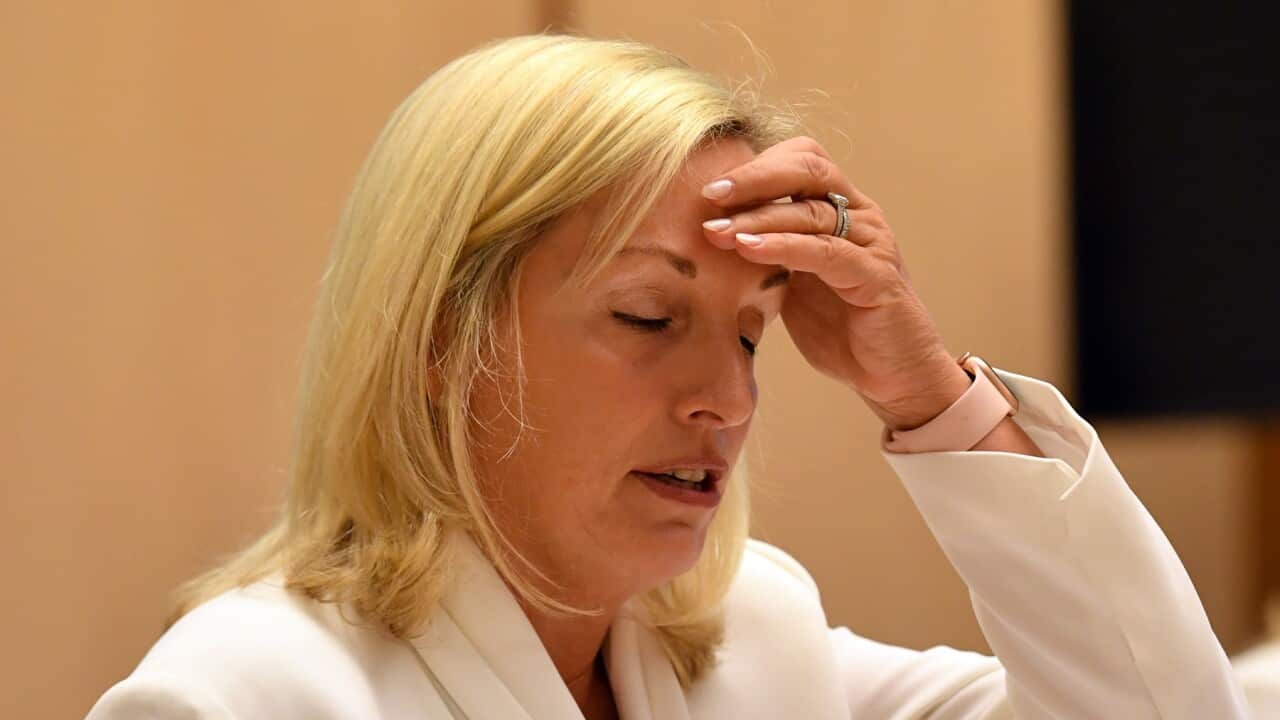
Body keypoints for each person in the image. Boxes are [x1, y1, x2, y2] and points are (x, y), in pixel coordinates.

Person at [86, 33, 1250, 719]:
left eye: (749, 333)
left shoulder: (757, 642)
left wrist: (927, 394)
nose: (728, 399)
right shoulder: (239, 698)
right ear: (441, 340)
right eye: (647, 315)